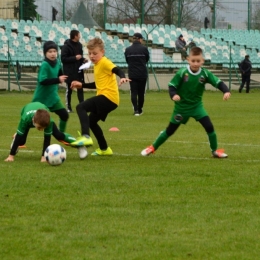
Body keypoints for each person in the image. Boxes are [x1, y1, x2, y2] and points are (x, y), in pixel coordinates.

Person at [141, 47, 231, 158]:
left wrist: (226, 91)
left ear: (202, 61)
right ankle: (153, 147)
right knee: (170, 130)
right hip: (181, 108)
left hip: (197, 107)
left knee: (209, 127)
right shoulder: (182, 72)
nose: (195, 63)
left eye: (198, 61)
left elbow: (218, 82)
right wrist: (174, 95)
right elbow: (172, 86)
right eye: (193, 61)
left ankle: (215, 151)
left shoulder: (205, 74)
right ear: (188, 60)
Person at [69, 37, 131, 156]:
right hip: (109, 99)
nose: (92, 56)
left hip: (108, 98)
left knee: (80, 107)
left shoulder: (104, 62)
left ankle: (85, 136)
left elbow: (116, 69)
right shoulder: (97, 64)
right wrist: (81, 85)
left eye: (95, 53)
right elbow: (98, 84)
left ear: (102, 52)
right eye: (90, 53)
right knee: (91, 122)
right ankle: (105, 149)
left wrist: (122, 76)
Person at [4, 102, 87, 162]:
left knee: (58, 135)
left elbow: (47, 139)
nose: (41, 129)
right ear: (33, 121)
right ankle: (15, 138)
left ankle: (79, 144)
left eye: (43, 128)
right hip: (26, 111)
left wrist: (44, 157)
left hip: (42, 113)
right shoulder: (25, 119)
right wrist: (11, 156)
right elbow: (20, 135)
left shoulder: (48, 121)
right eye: (40, 127)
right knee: (21, 140)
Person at [32, 41, 69, 133]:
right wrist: (57, 80)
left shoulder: (57, 62)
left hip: (53, 97)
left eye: (54, 51)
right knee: (33, 120)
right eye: (50, 51)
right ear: (45, 53)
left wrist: (71, 79)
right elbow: (42, 80)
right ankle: (18, 135)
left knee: (64, 115)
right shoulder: (45, 64)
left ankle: (61, 134)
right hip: (42, 98)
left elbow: (61, 75)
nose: (53, 54)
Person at [124, 32, 150, 116]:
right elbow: (147, 59)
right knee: (141, 93)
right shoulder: (144, 49)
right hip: (142, 73)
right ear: (139, 39)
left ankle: (135, 110)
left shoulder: (128, 49)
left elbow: (127, 61)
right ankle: (140, 109)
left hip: (132, 74)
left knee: (134, 92)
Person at [61, 30, 86, 112]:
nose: (80, 36)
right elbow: (63, 59)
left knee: (80, 88)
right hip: (69, 72)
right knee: (69, 89)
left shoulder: (79, 45)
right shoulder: (66, 46)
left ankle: (82, 106)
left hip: (78, 71)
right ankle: (68, 107)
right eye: (79, 34)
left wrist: (83, 60)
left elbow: (80, 57)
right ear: (75, 36)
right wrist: (75, 58)